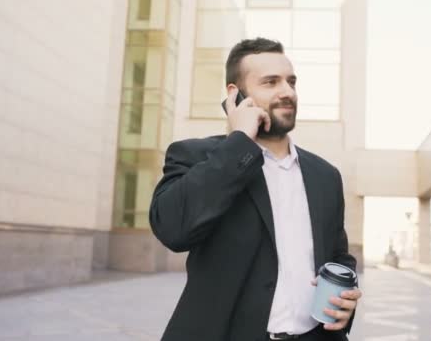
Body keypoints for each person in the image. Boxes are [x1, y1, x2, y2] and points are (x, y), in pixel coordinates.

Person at [149, 37, 361, 341]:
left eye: (291, 82)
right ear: (236, 95)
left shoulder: (325, 176)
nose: (287, 92)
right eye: (271, 82)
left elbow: (338, 254)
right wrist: (240, 144)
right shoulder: (197, 157)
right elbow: (172, 229)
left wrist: (344, 301)